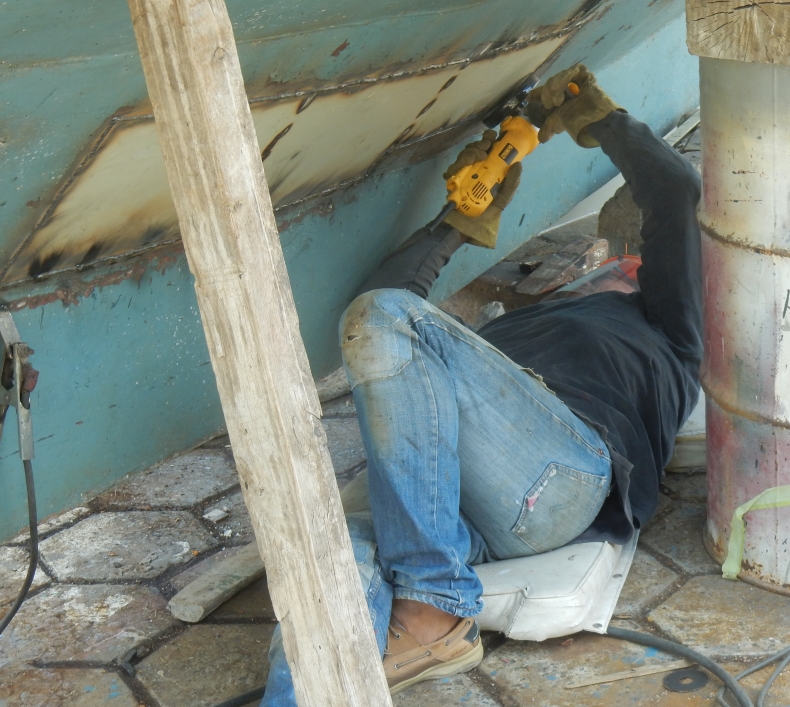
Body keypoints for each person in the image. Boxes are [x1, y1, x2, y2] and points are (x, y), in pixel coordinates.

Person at [260, 65, 703, 703]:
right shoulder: (515, 326)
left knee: (388, 316)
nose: (617, 263)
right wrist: (464, 213)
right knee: (329, 562)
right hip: (460, 508)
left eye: (632, 261)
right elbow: (376, 315)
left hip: (564, 475)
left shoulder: (670, 330)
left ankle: (433, 602)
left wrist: (599, 118)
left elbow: (674, 193)